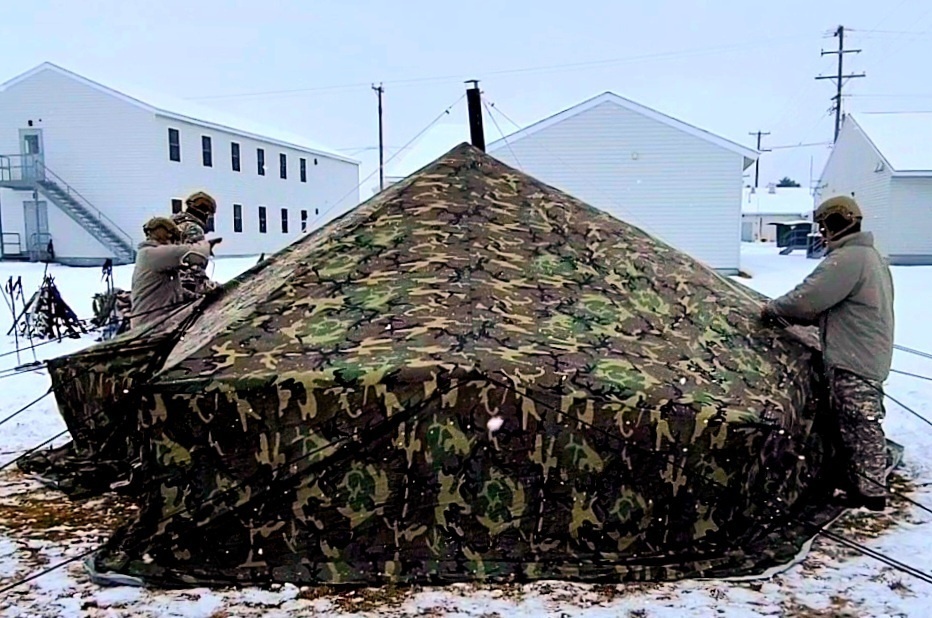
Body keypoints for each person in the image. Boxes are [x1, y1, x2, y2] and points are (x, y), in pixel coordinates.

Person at [761, 195, 895, 512]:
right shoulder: (868, 257)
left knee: (860, 423)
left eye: (824, 226)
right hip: (863, 353)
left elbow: (809, 297)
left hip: (855, 359)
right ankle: (862, 482)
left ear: (836, 224)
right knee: (853, 424)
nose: (822, 234)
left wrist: (773, 310)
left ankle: (872, 493)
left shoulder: (848, 259)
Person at [130, 217, 216, 331]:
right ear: (167, 235)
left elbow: (172, 290)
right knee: (207, 314)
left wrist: (198, 296)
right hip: (152, 324)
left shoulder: (150, 255)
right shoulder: (153, 254)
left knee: (201, 305)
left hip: (156, 319)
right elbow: (196, 253)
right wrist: (205, 244)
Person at [171, 191, 219, 295]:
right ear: (205, 212)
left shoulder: (172, 225)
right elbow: (194, 266)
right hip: (180, 288)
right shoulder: (193, 229)